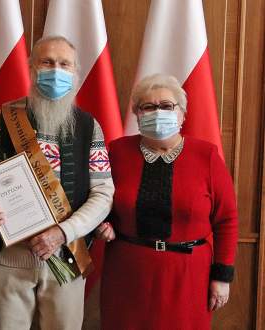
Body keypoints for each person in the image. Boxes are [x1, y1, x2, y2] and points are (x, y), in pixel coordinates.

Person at [0, 36, 114, 330]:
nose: (56, 70)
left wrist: (63, 232)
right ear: (31, 68)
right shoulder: (1, 119)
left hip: (66, 255)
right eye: (47, 62)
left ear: (76, 73)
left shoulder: (89, 126)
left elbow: (103, 194)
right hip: (9, 259)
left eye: (64, 64)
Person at [98, 73, 238, 329]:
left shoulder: (206, 155)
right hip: (128, 274)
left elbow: (227, 219)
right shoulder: (117, 152)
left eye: (166, 106)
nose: (157, 112)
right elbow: (100, 199)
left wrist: (222, 276)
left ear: (182, 114)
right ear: (137, 114)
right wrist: (103, 223)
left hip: (188, 277)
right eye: (148, 106)